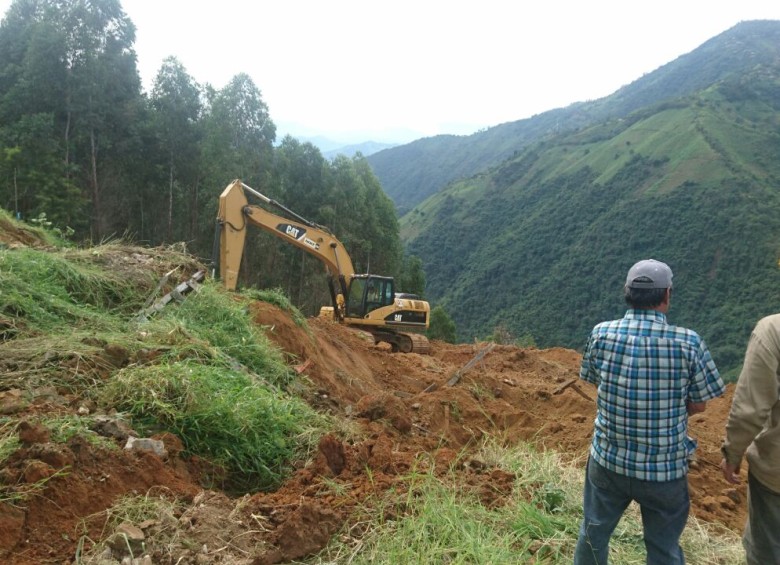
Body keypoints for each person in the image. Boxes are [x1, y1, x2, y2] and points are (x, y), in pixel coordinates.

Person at [573, 259, 725, 565]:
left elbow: (593, 380)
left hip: (607, 462)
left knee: (593, 535)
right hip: (663, 470)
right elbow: (699, 404)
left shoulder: (600, 334)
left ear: (627, 292)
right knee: (663, 548)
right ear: (667, 295)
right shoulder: (689, 343)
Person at [720, 313, 780, 564]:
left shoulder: (773, 330)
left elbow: (751, 408)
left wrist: (732, 454)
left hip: (775, 474)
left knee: (767, 553)